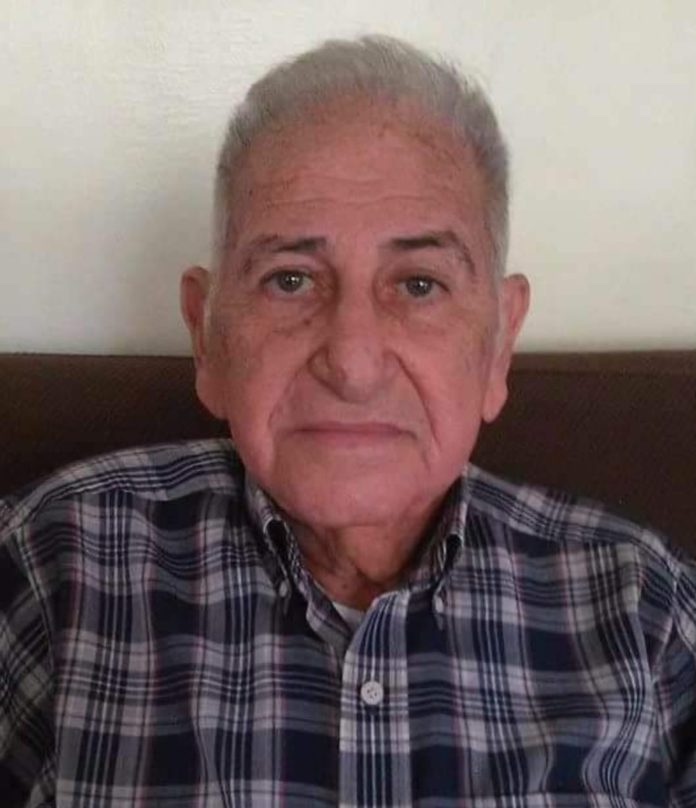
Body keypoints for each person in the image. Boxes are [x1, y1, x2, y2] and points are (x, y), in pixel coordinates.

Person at [1, 35, 694, 808]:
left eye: (419, 284)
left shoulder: (646, 608)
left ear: (500, 343)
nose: (353, 363)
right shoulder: (51, 562)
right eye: (290, 280)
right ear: (206, 334)